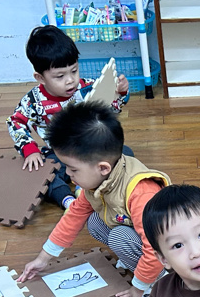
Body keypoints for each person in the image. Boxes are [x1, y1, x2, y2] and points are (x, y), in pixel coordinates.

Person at [17, 102, 170, 297]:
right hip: (138, 232)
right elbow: (73, 216)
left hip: (166, 250)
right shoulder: (100, 179)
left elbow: (154, 248)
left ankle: (160, 280)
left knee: (119, 237)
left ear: (103, 168)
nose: (68, 175)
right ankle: (138, 263)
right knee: (95, 221)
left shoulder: (141, 193)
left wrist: (137, 289)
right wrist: (43, 258)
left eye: (73, 170)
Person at [7, 25, 131, 209]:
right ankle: (67, 199)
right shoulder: (33, 101)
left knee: (124, 154)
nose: (70, 80)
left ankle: (84, 189)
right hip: (60, 154)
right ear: (40, 78)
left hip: (91, 149)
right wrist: (30, 149)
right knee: (40, 174)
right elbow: (15, 122)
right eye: (60, 76)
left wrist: (120, 93)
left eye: (74, 70)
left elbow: (110, 110)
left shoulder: (87, 87)